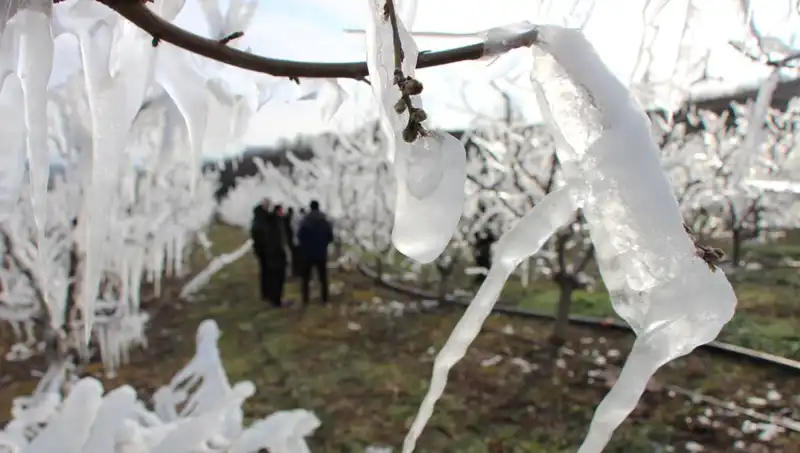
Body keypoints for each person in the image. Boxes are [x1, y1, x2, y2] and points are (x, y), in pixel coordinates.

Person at [250, 198, 291, 307]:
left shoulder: (261, 219)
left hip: (268, 253)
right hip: (273, 253)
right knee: (276, 276)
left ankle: (269, 297)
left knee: (268, 276)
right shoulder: (266, 221)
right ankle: (275, 300)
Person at [297, 200, 334, 305]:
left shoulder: (305, 220)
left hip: (307, 253)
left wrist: (304, 247)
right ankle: (325, 299)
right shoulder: (324, 220)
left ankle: (305, 299)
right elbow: (330, 237)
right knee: (323, 277)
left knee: (306, 278)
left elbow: (300, 236)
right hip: (321, 253)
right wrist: (323, 244)